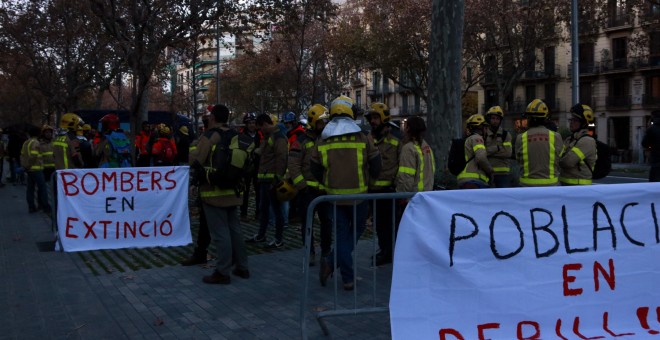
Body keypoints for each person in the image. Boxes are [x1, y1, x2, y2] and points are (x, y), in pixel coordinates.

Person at [312, 95, 381, 291]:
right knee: (355, 233)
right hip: (359, 196)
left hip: (333, 197)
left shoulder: (322, 139)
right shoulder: (363, 136)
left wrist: (326, 182)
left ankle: (333, 264)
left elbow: (315, 168)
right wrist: (371, 182)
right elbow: (376, 164)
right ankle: (345, 276)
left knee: (342, 236)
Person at [190, 104, 250, 284]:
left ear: (213, 118)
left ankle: (222, 272)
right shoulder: (235, 135)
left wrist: (194, 145)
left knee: (220, 233)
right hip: (233, 190)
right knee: (235, 230)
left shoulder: (209, 136)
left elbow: (195, 160)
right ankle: (242, 267)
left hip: (213, 192)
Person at [286, 104, 332, 266]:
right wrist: (302, 186)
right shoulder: (301, 141)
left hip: (325, 191)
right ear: (313, 122)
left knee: (327, 223)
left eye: (325, 121)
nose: (324, 125)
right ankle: (309, 251)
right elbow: (293, 165)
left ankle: (326, 252)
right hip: (308, 192)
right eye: (321, 122)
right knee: (307, 224)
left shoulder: (327, 138)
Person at [365, 102, 401, 266]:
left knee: (391, 225)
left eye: (375, 118)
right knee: (379, 225)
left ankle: (391, 252)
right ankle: (384, 250)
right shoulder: (368, 140)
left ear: (384, 119)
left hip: (389, 190)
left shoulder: (395, 140)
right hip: (373, 190)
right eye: (371, 118)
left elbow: (401, 165)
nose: (372, 121)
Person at [246, 113, 288, 248]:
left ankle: (279, 239)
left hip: (272, 181)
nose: (260, 131)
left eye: (260, 128)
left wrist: (277, 179)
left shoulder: (279, 137)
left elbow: (281, 159)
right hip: (264, 179)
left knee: (276, 210)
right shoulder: (269, 137)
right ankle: (261, 235)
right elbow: (266, 154)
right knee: (263, 208)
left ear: (264, 124)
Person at [181, 115, 212, 266]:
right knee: (228, 226)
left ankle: (202, 253)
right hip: (226, 189)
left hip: (208, 189)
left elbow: (196, 162)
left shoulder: (204, 140)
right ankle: (236, 259)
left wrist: (194, 182)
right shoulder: (231, 136)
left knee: (206, 224)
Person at [515, 99, 563, 187]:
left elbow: (518, 160)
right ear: (545, 118)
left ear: (528, 118)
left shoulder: (520, 138)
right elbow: (560, 158)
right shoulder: (556, 136)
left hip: (527, 187)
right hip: (551, 186)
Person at [559, 104, 597, 185]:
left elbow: (567, 162)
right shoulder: (570, 139)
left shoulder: (587, 140)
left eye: (575, 120)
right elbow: (559, 155)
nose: (571, 123)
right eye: (571, 120)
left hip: (580, 189)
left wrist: (558, 161)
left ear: (584, 123)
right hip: (566, 186)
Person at [456, 114, 493, 189]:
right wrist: (490, 171)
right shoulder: (477, 138)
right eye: (485, 127)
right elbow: (481, 158)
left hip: (464, 180)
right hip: (474, 182)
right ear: (481, 127)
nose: (486, 130)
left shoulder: (467, 140)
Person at [21, 126, 50, 214]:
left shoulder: (26, 143)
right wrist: (29, 165)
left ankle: (31, 207)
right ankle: (46, 207)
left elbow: (22, 155)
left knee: (30, 189)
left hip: (29, 170)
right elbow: (34, 156)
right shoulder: (36, 143)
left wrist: (24, 166)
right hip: (36, 169)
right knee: (42, 188)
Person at [240, 112, 263, 221]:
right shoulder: (241, 135)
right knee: (245, 190)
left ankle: (258, 213)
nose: (252, 125)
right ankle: (243, 213)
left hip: (258, 166)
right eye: (249, 123)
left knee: (259, 191)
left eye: (253, 123)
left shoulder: (260, 134)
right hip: (246, 167)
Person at [484, 106, 513, 188]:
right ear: (489, 119)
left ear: (500, 120)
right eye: (493, 118)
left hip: (503, 175)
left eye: (497, 119)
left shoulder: (506, 135)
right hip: (487, 173)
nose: (495, 121)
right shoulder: (484, 134)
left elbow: (508, 153)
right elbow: (481, 153)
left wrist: (489, 152)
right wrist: (498, 148)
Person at [642, 110, 660, 182]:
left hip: (657, 159)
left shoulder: (652, 129)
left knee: (654, 182)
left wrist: (650, 147)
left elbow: (644, 143)